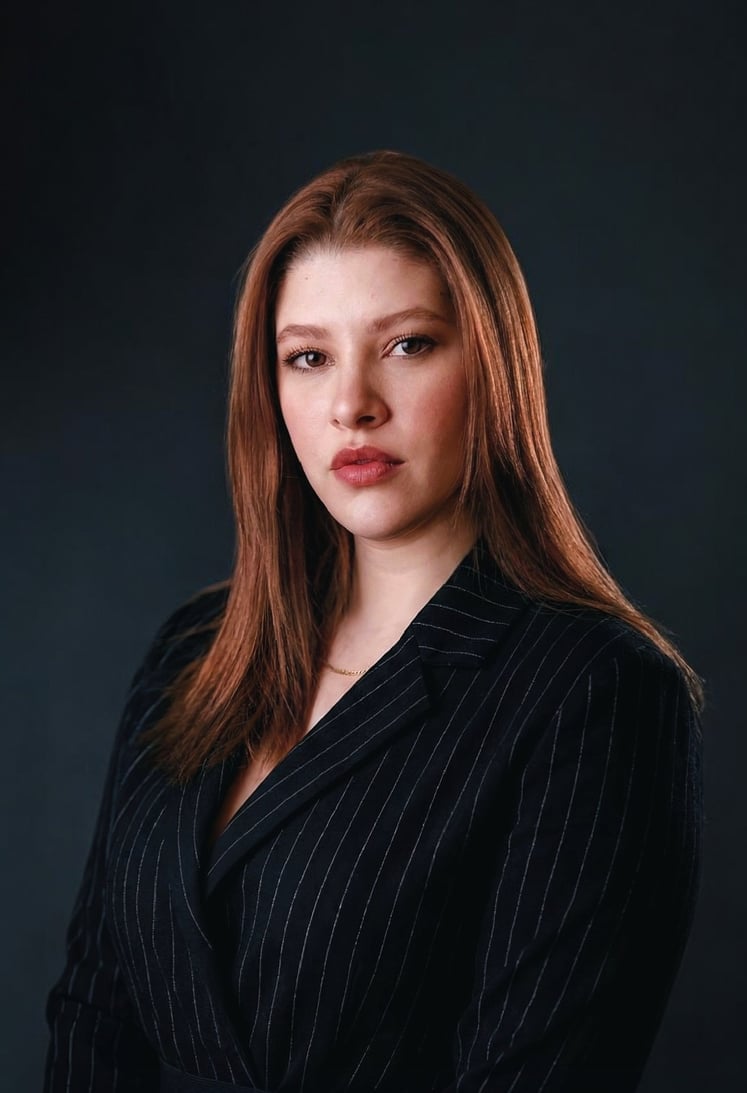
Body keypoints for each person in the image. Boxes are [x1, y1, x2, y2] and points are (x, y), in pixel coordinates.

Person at [43, 149, 705, 1093]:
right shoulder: (195, 648)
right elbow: (93, 1011)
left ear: (494, 367)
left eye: (407, 345)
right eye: (309, 358)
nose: (352, 405)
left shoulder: (596, 691)